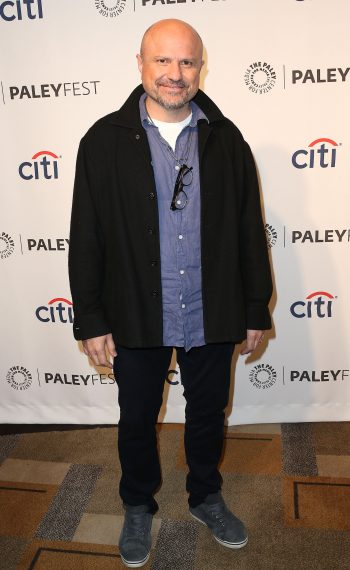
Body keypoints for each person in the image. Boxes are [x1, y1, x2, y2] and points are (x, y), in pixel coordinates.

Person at [69, 18, 272, 568]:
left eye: (186, 62)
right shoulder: (102, 142)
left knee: (208, 412)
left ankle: (206, 495)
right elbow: (86, 235)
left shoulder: (227, 140)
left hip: (213, 306)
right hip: (136, 310)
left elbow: (249, 231)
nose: (175, 75)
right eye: (163, 61)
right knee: (137, 415)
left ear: (200, 68)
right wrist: (89, 318)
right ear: (141, 64)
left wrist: (255, 306)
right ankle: (138, 503)